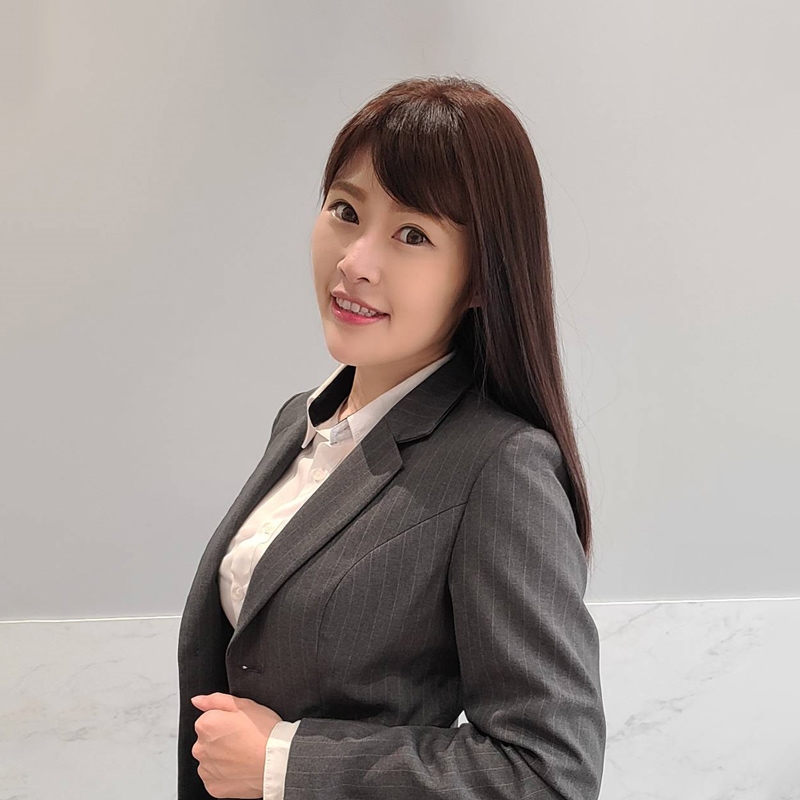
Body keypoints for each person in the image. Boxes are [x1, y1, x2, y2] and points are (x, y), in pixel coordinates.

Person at [177, 75, 606, 800]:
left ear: (480, 279)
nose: (355, 261)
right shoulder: (299, 421)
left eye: (413, 235)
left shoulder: (501, 467)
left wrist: (284, 762)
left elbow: (548, 772)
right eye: (345, 211)